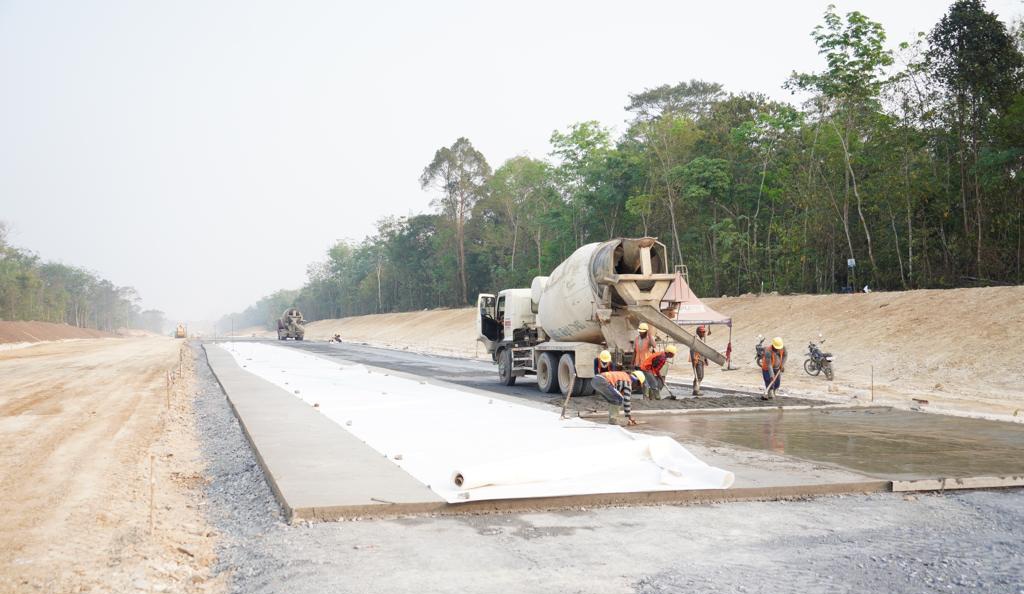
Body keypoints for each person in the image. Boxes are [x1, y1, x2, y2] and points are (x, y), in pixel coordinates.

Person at [690, 326, 709, 396]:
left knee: (700, 375)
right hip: (697, 359)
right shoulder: (696, 339)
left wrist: (706, 358)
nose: (704, 333)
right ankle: (696, 390)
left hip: (701, 359)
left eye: (704, 332)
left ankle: (696, 389)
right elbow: (691, 349)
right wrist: (693, 359)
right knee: (699, 376)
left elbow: (704, 350)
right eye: (703, 332)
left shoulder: (701, 340)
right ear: (699, 332)